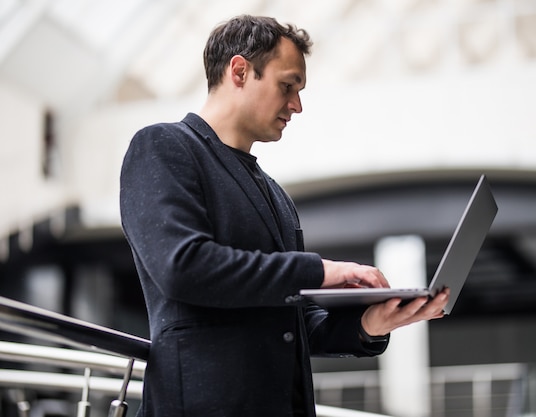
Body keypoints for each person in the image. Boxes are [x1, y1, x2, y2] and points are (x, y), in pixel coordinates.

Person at [120, 15, 449, 417]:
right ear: (240, 71)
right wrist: (320, 271)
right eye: (287, 86)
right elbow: (182, 266)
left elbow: (294, 323)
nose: (296, 105)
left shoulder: (275, 194)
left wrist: (370, 324)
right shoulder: (163, 146)